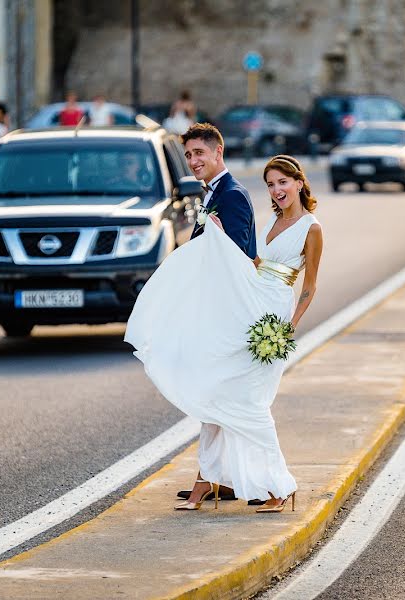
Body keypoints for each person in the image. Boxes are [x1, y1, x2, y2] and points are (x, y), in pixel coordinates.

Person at [125, 124, 324, 513]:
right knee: (223, 391)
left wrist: (287, 328)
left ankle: (279, 485)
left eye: (282, 182)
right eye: (270, 184)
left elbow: (309, 286)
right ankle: (212, 481)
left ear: (300, 183)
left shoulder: (310, 228)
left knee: (245, 399)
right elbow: (249, 258)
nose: (276, 190)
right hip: (253, 297)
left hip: (272, 311)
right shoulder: (270, 221)